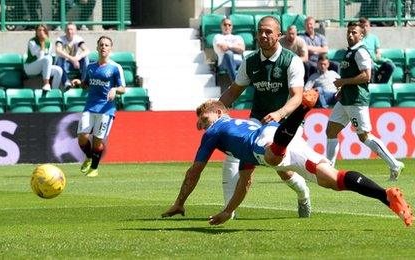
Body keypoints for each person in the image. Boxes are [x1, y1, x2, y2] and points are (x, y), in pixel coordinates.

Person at [161, 99, 413, 227]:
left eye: (204, 117)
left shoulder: (216, 131)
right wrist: (228, 210)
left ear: (218, 112)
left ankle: (302, 110)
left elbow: (194, 171)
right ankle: (387, 196)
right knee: (332, 180)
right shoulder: (237, 133)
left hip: (271, 139)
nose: (202, 124)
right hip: (283, 137)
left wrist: (179, 202)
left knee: (272, 156)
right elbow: (245, 180)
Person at [218, 16, 311, 218]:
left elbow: (297, 98)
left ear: (279, 35)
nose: (263, 35)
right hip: (258, 121)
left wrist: (279, 114)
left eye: (268, 31)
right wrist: (215, 110)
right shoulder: (250, 61)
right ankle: (228, 210)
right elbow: (234, 91)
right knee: (233, 154)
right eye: (260, 31)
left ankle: (304, 195)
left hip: (288, 122)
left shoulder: (292, 60)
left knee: (282, 168)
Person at [325, 21, 405, 181]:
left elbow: (366, 76)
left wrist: (343, 82)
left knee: (364, 137)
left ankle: (395, 164)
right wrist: (342, 89)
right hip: (346, 99)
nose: (350, 35)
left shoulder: (361, 52)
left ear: (361, 35)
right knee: (331, 131)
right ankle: (329, 170)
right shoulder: (350, 52)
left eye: (354, 32)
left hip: (356, 100)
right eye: (349, 32)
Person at [71, 36, 126, 177]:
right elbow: (86, 84)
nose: (103, 47)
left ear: (110, 49)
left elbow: (123, 88)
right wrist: (79, 83)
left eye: (107, 45)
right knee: (82, 137)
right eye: (101, 44)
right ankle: (89, 157)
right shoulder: (90, 67)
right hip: (90, 106)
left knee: (97, 142)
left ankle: (94, 168)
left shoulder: (115, 68)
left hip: (106, 110)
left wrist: (114, 89)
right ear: (97, 47)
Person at [24, 24, 63, 91]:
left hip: (43, 68)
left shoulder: (49, 42)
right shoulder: (32, 42)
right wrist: (42, 43)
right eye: (39, 30)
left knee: (58, 70)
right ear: (36, 32)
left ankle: (54, 91)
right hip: (30, 67)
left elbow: (48, 57)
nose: (41, 32)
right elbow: (40, 58)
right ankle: (46, 84)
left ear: (46, 32)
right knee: (47, 58)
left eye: (43, 30)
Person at [55, 22, 90, 90]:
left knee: (85, 58)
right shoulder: (60, 39)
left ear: (75, 31)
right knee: (60, 59)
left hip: (75, 64)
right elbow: (58, 50)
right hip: (64, 64)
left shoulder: (78, 39)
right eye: (68, 29)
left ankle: (84, 82)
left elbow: (87, 50)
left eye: (71, 29)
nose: (69, 31)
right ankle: (66, 83)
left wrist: (77, 58)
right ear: (65, 31)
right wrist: (72, 59)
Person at [359, 17, 394, 83]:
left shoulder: (374, 38)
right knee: (371, 66)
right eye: (362, 27)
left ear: (369, 26)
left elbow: (378, 51)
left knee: (390, 66)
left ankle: (382, 85)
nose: (365, 28)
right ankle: (372, 87)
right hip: (366, 64)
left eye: (366, 26)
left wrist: (378, 54)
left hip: (376, 62)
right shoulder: (358, 39)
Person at [212, 18, 245, 82]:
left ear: (232, 27)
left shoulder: (238, 37)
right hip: (224, 63)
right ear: (221, 26)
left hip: (238, 62)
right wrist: (235, 47)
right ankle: (235, 83)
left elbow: (242, 49)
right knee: (228, 53)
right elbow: (222, 48)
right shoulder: (218, 37)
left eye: (229, 25)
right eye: (225, 24)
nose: (227, 26)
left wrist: (228, 46)